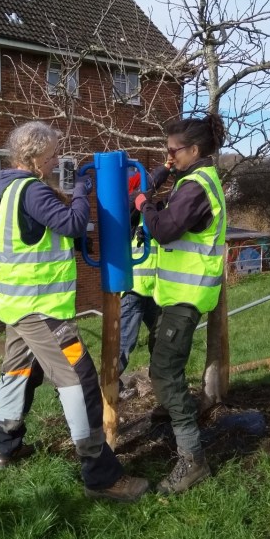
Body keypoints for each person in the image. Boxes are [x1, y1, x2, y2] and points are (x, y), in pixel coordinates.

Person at [0, 121, 149, 502]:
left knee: (18, 371)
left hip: (17, 305)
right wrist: (81, 190)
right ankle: (101, 476)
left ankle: (6, 447)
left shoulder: (12, 190)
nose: (57, 160)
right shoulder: (30, 190)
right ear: (33, 158)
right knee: (79, 380)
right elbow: (75, 220)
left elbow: (48, 234)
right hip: (39, 309)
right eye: (53, 155)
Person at [134, 113, 227, 494]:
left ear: (195, 149)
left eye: (173, 151)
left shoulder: (197, 187)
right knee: (162, 356)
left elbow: (165, 229)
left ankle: (192, 459)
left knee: (164, 370)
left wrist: (144, 204)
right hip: (176, 294)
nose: (168, 157)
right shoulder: (193, 180)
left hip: (186, 297)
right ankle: (170, 413)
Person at [118, 163, 173, 398]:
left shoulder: (155, 211)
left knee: (161, 339)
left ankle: (159, 383)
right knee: (123, 344)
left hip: (156, 290)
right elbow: (142, 192)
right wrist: (164, 169)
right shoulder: (128, 212)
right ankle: (108, 389)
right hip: (133, 290)